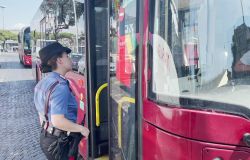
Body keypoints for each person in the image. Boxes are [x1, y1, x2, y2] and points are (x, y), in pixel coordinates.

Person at [34, 42, 89, 160]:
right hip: (58, 142)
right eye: (67, 56)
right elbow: (58, 121)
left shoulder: (43, 83)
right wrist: (82, 129)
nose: (70, 58)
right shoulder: (60, 86)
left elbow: (41, 115)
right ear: (59, 60)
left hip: (46, 137)